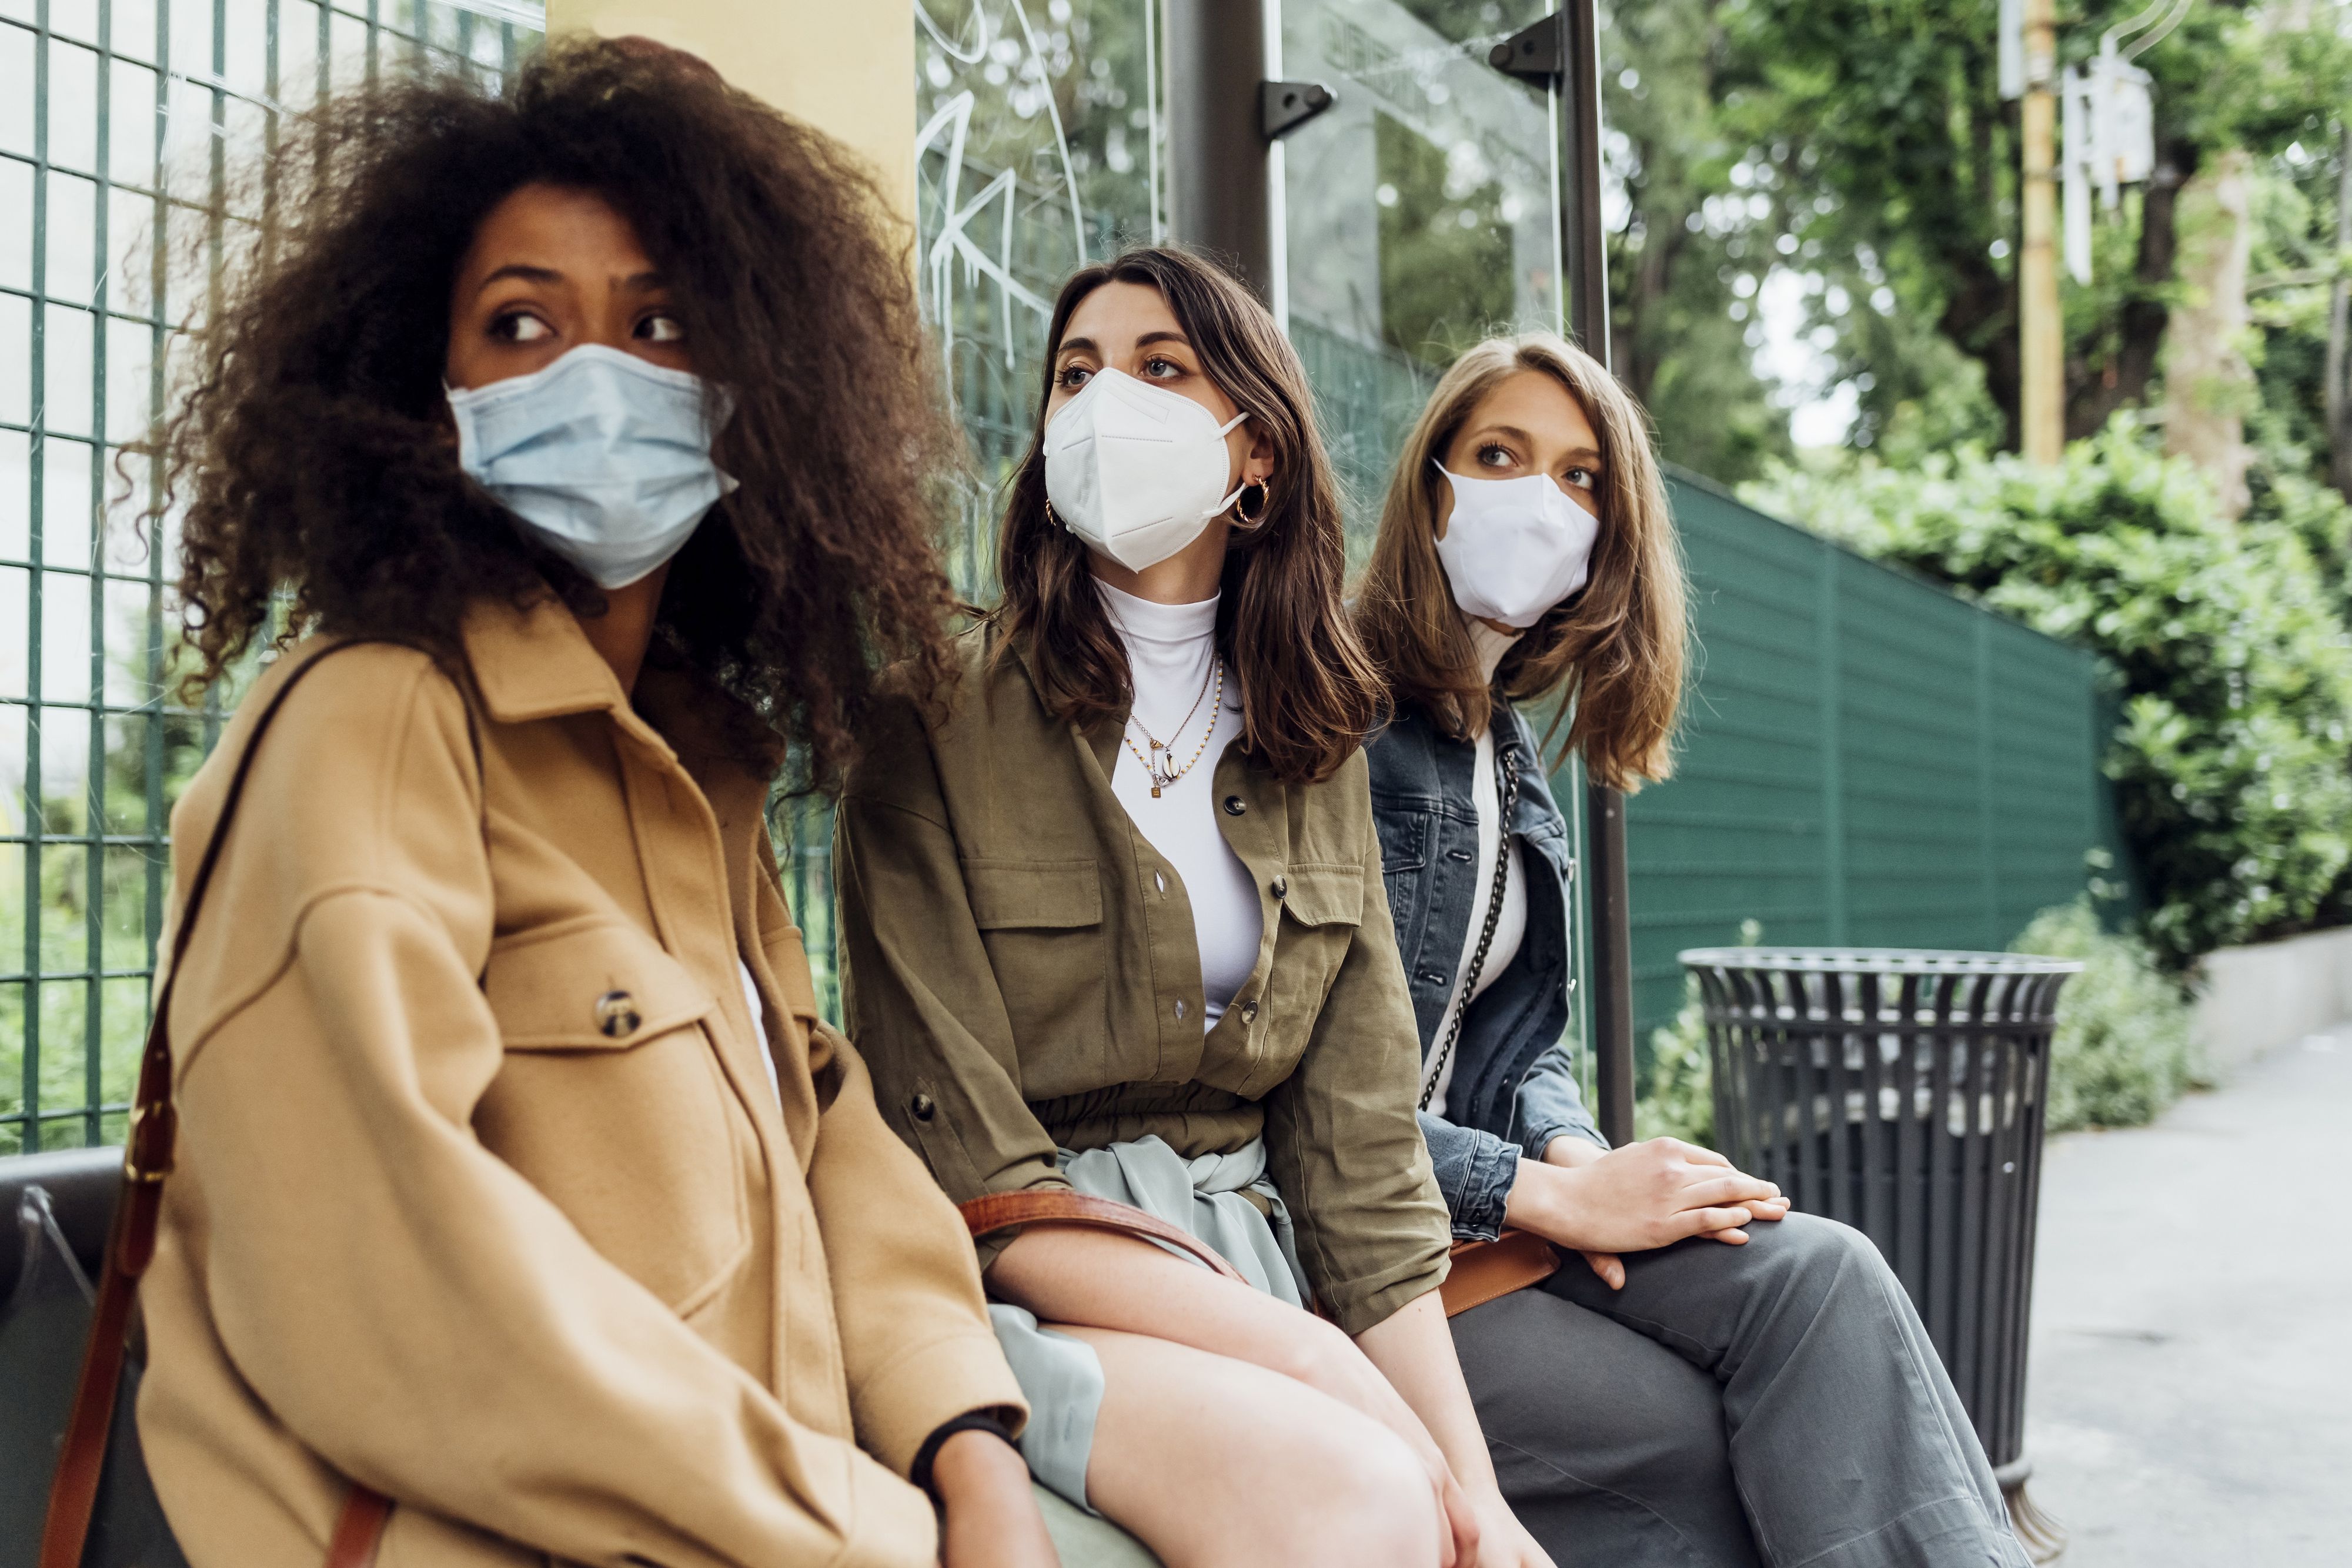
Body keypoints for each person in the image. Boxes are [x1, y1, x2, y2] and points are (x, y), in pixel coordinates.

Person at [131, 42, 1054, 1568]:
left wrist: (972, 1451)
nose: (597, 377)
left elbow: (829, 1140)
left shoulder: (692, 766)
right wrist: (865, 1530)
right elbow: (392, 1278)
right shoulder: (371, 722)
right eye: (520, 323)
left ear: (749, 395)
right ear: (428, 396)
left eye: (659, 323)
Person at [835, 246, 1551, 1568]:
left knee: (1442, 1519)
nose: (1106, 401)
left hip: (1253, 1265)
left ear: (1254, 454)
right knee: (1361, 1501)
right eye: (1076, 374)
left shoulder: (1317, 742)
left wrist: (1476, 1486)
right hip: (1022, 1285)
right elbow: (970, 1167)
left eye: (1159, 367)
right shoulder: (928, 722)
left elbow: (1359, 1162)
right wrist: (1307, 1357)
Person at [1352, 331, 2033, 1568]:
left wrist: (1586, 1158)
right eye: (1497, 455)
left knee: (1825, 1272)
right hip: (1371, 1244)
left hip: (1487, 1217)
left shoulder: (1505, 750)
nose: (1537, 501)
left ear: (1609, 534)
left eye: (1578, 477)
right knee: (1700, 1439)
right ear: (1431, 485)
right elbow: (1309, 1090)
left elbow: (1513, 1042)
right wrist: (1550, 1193)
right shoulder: (1335, 720)